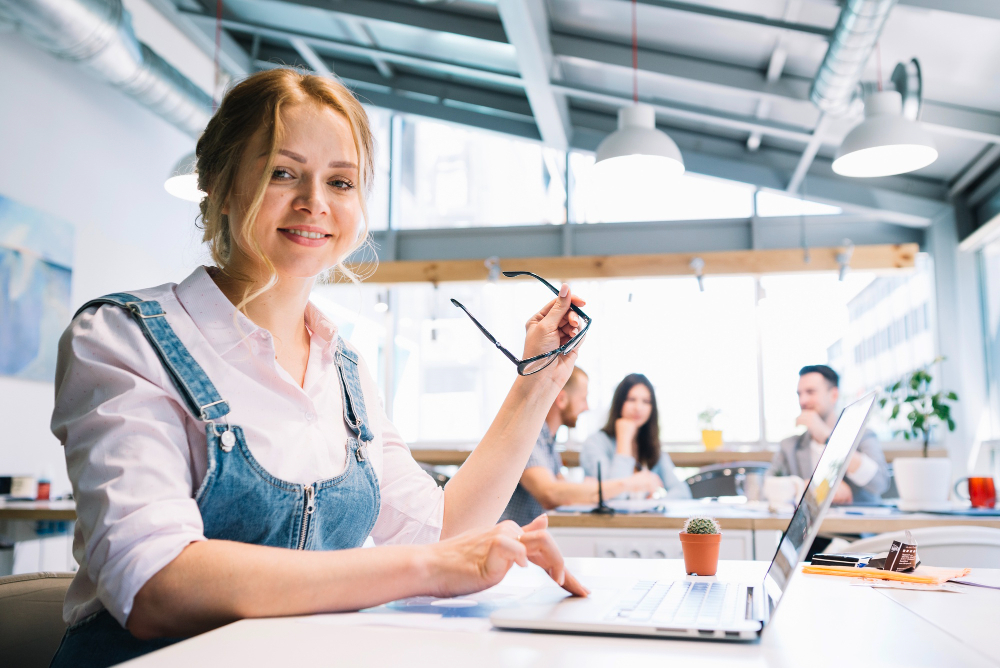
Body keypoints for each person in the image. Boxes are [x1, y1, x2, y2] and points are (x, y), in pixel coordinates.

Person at [48, 68, 588, 668]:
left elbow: (438, 532)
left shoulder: (344, 369)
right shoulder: (123, 337)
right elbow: (154, 583)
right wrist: (430, 569)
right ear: (222, 186)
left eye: (341, 181)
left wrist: (537, 381)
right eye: (284, 172)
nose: (315, 202)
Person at [500, 368, 662, 526]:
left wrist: (588, 490)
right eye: (583, 399)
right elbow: (550, 494)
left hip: (522, 542)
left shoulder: (547, 440)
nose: (587, 407)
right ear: (562, 399)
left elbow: (565, 492)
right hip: (505, 544)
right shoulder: (528, 436)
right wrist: (629, 483)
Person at [771, 365, 889, 505]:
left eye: (810, 392)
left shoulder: (863, 436)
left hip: (858, 525)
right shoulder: (790, 445)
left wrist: (829, 438)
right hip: (813, 526)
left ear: (833, 395)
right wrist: (812, 487)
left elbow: (880, 483)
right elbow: (766, 488)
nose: (802, 401)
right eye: (799, 394)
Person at [581, 373, 692, 499]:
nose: (638, 408)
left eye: (646, 401)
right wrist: (624, 439)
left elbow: (682, 492)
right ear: (619, 402)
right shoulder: (595, 443)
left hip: (643, 519)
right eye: (631, 399)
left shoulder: (650, 445)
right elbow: (612, 498)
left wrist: (653, 505)